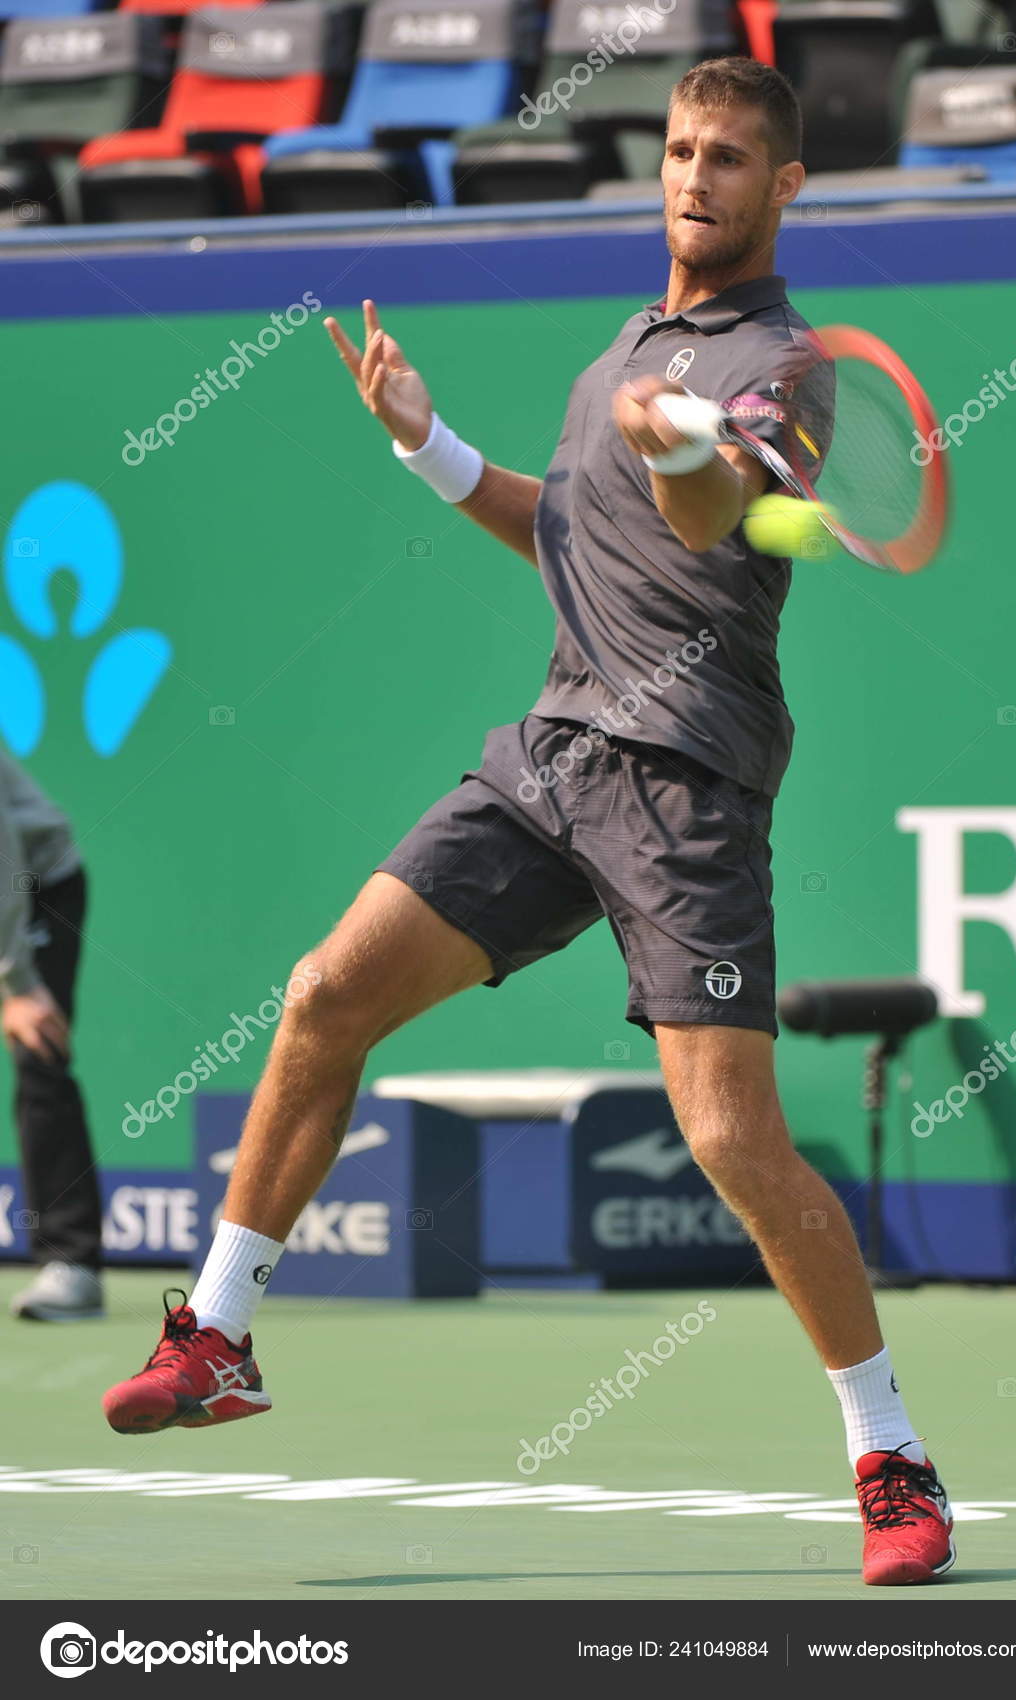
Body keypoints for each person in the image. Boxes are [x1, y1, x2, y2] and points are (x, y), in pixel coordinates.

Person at [101, 57, 954, 1586]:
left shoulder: (789, 365)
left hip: (685, 783)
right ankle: (216, 1333)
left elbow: (701, 524)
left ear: (785, 188)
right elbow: (567, 541)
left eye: (732, 158)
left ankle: (889, 1457)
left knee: (731, 1141)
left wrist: (682, 444)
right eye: (683, 149)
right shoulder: (623, 349)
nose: (697, 177)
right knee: (322, 995)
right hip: (552, 757)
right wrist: (428, 445)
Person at [0, 747, 102, 1320]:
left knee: (37, 1048)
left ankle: (72, 1263)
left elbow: (3, 857)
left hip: (33, 885)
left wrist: (15, 984)